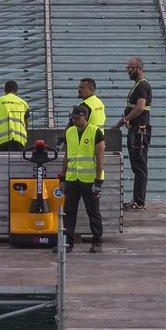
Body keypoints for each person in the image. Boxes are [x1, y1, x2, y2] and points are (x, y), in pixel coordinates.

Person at [59, 105, 103, 251]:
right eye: (73, 118)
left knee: (93, 211)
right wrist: (63, 179)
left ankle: (97, 242)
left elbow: (100, 158)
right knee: (69, 212)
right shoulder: (70, 132)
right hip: (72, 179)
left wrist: (98, 181)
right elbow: (67, 156)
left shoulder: (95, 132)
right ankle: (67, 243)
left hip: (89, 180)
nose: (75, 120)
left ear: (85, 117)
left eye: (77, 118)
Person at [112, 57, 151, 210]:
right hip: (136, 129)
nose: (128, 71)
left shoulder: (143, 86)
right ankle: (136, 199)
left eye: (131, 68)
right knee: (136, 166)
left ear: (139, 69)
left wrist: (121, 122)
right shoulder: (138, 86)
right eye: (127, 68)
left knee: (139, 166)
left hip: (140, 131)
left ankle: (139, 201)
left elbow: (140, 107)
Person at [0, 81, 31, 148]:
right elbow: (26, 125)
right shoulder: (23, 103)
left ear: (4, 90)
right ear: (17, 91)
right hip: (19, 139)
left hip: (2, 140)